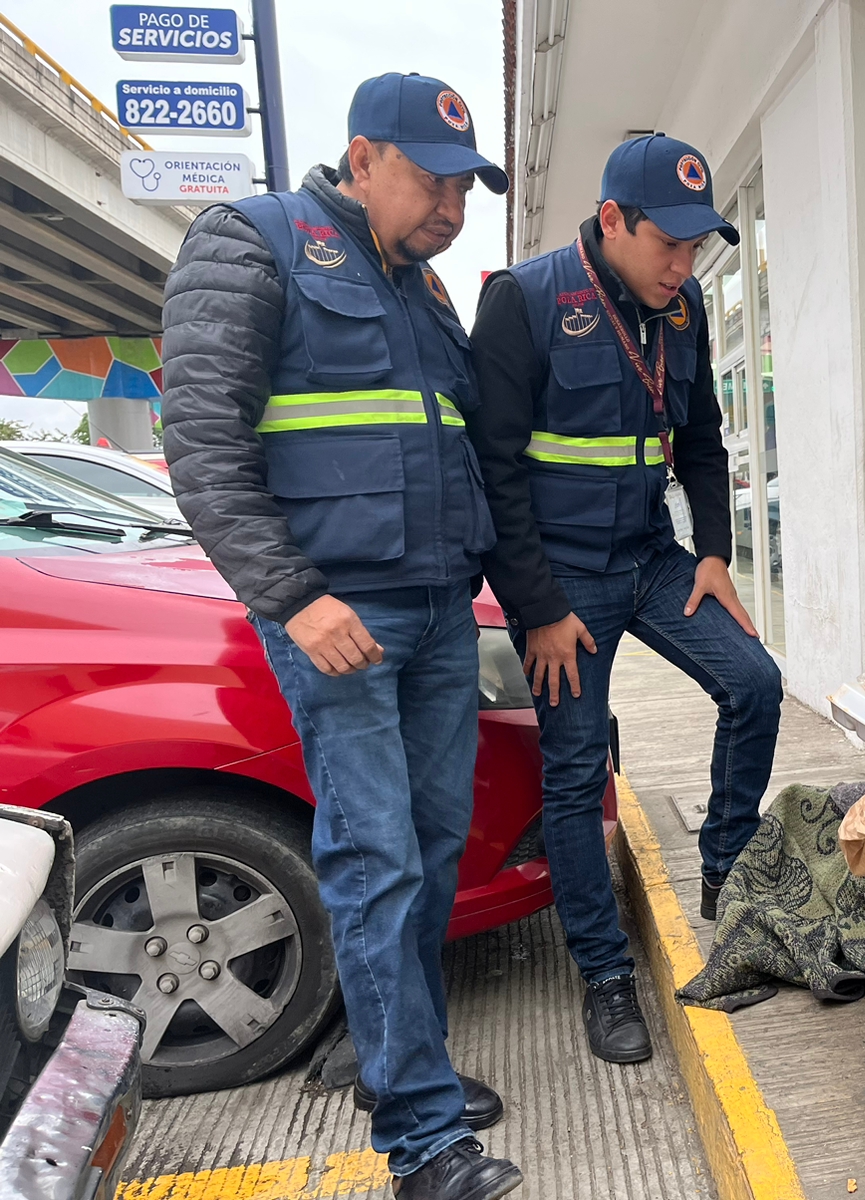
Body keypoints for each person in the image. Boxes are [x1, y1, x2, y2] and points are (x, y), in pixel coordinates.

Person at [162, 73, 522, 1200]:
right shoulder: (250, 242)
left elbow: (455, 449)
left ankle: (392, 1058)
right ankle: (420, 1142)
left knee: (426, 849)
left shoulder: (425, 289)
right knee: (372, 860)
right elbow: (204, 448)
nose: (452, 206)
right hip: (336, 618)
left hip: (437, 611)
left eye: (466, 186)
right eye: (431, 179)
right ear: (362, 157)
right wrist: (292, 596)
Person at [468, 133, 783, 1064]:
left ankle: (727, 867)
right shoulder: (524, 302)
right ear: (612, 221)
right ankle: (605, 976)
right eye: (668, 245)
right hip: (561, 582)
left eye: (695, 250)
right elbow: (492, 470)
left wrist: (716, 554)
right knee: (575, 774)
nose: (683, 268)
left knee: (756, 684)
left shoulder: (679, 313)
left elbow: (704, 446)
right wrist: (534, 608)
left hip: (650, 556)